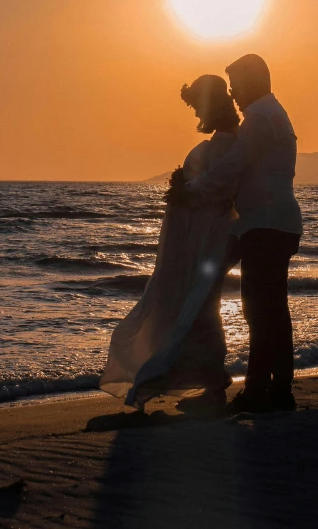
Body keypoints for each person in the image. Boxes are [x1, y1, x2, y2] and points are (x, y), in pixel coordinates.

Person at [100, 75, 239, 410]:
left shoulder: (227, 142)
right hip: (197, 240)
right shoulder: (224, 139)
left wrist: (184, 188)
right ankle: (209, 378)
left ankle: (211, 380)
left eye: (196, 108)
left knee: (202, 307)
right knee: (201, 307)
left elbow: (220, 187)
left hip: (208, 240)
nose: (195, 116)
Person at [185, 54, 302, 412]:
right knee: (273, 311)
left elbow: (232, 167)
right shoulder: (273, 114)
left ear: (253, 81)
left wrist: (189, 189)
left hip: (265, 224)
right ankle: (279, 389)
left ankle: (257, 392)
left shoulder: (260, 119)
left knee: (259, 311)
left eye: (236, 84)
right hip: (276, 222)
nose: (233, 94)